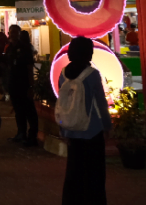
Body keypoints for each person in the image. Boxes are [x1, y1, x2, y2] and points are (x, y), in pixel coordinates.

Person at [59, 37, 112, 205]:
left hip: (71, 129)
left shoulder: (63, 74)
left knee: (74, 170)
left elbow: (61, 103)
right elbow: (101, 102)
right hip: (92, 129)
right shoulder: (92, 74)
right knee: (94, 172)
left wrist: (62, 129)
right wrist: (107, 125)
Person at [7, 27, 39, 146]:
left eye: (15, 32)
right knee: (18, 110)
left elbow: (29, 68)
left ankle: (32, 136)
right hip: (13, 84)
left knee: (29, 111)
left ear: (19, 34)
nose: (12, 35)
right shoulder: (10, 48)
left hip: (24, 84)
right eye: (11, 32)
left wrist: (31, 86)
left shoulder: (25, 48)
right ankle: (21, 133)